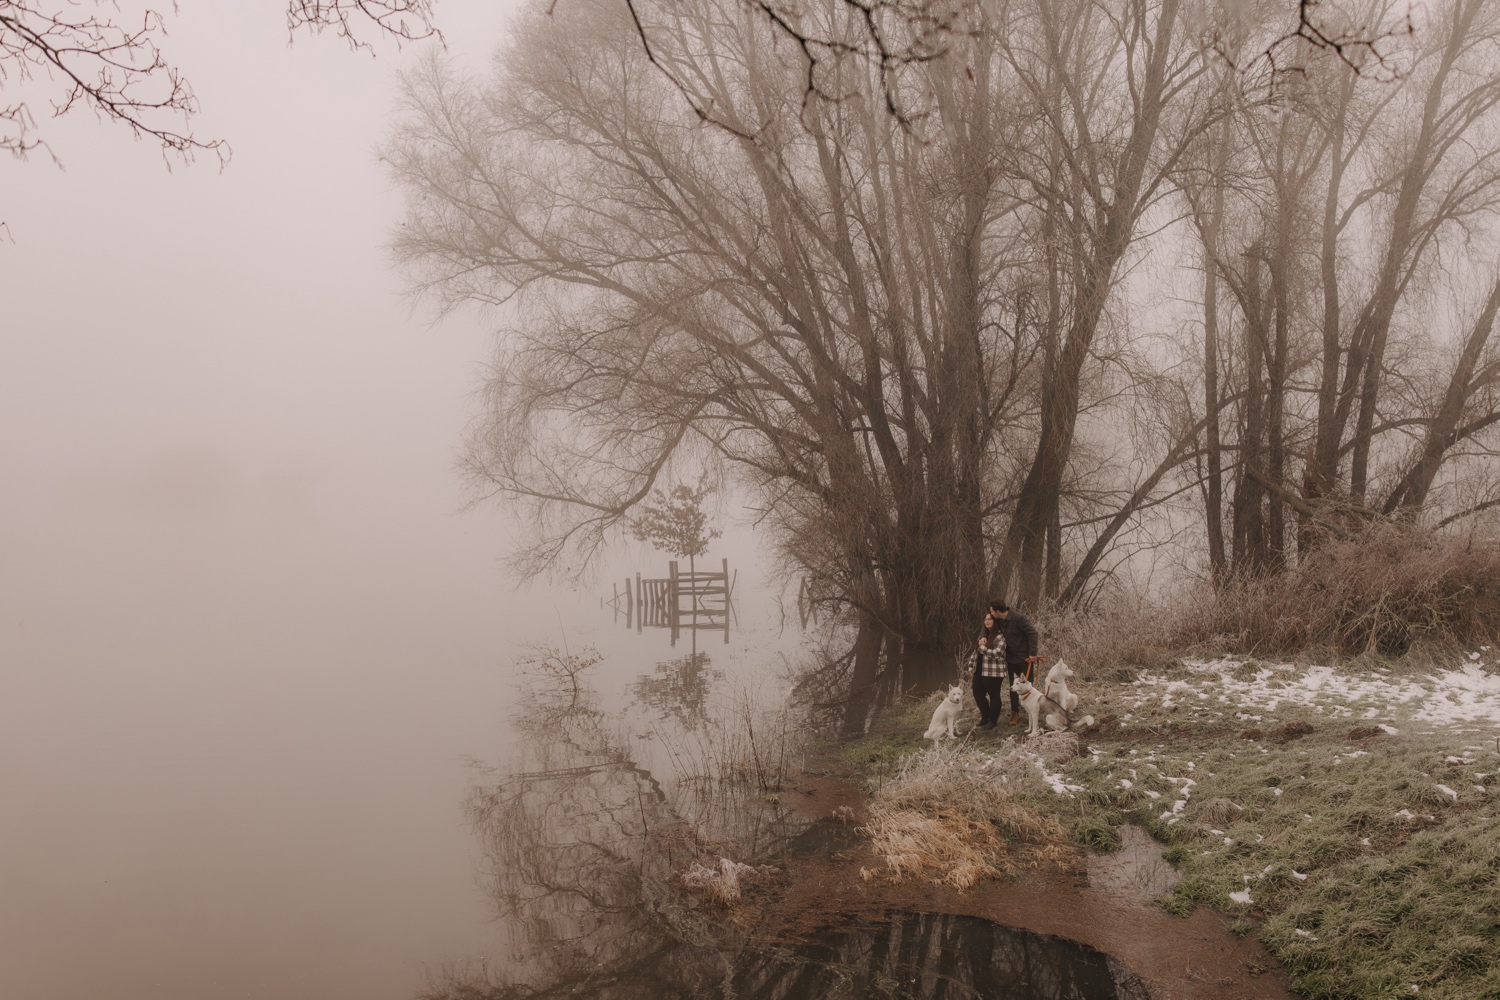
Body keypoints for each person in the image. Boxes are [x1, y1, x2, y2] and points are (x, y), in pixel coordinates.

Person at [989, 599, 1039, 726]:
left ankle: (1032, 713)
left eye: (992, 611)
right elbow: (987, 627)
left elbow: (1033, 633)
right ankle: (1015, 713)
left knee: (1028, 687)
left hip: (1024, 659)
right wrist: (984, 637)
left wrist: (1032, 653)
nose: (991, 613)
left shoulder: (1019, 618)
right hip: (1010, 660)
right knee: (1013, 687)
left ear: (998, 611)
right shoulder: (999, 620)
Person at [971, 612, 1006, 729]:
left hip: (994, 671)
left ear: (996, 621)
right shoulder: (983, 636)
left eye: (990, 619)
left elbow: (997, 653)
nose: (987, 621)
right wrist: (971, 666)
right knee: (977, 693)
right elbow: (975, 653)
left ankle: (992, 720)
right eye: (985, 619)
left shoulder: (1000, 636)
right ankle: (985, 717)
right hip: (979, 671)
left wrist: (982, 647)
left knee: (994, 695)